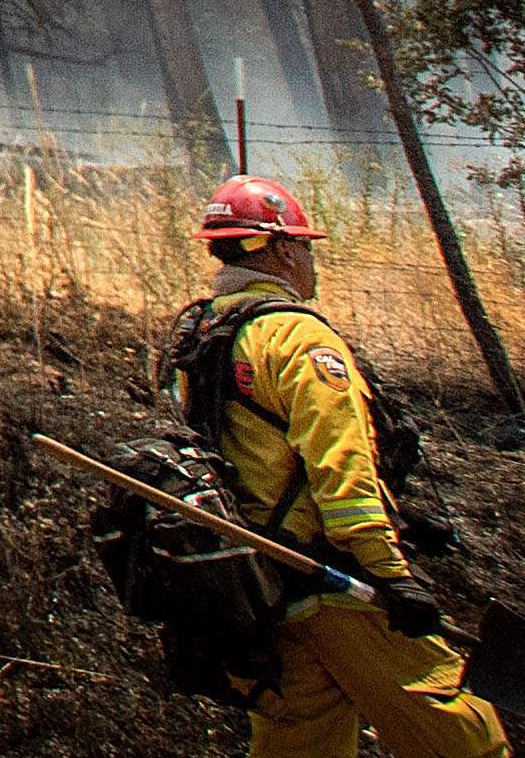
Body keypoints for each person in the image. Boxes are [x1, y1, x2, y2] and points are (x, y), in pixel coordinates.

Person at [174, 174, 502, 758]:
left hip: (260, 592)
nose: (309, 260)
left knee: (299, 745)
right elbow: (339, 469)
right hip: (340, 581)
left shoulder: (201, 338)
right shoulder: (297, 338)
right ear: (278, 250)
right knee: (463, 737)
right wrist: (392, 575)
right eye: (303, 245)